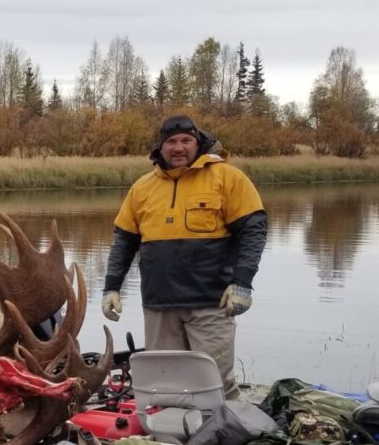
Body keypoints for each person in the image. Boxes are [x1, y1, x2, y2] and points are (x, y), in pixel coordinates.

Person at [101, 115, 267, 399]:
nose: (179, 148)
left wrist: (242, 283)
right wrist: (111, 287)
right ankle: (169, 441)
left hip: (211, 305)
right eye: (171, 142)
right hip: (159, 307)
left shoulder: (227, 178)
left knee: (215, 385)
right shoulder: (142, 188)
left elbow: (253, 230)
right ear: (160, 147)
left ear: (198, 142)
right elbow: (124, 241)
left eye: (186, 141)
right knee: (165, 387)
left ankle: (223, 440)